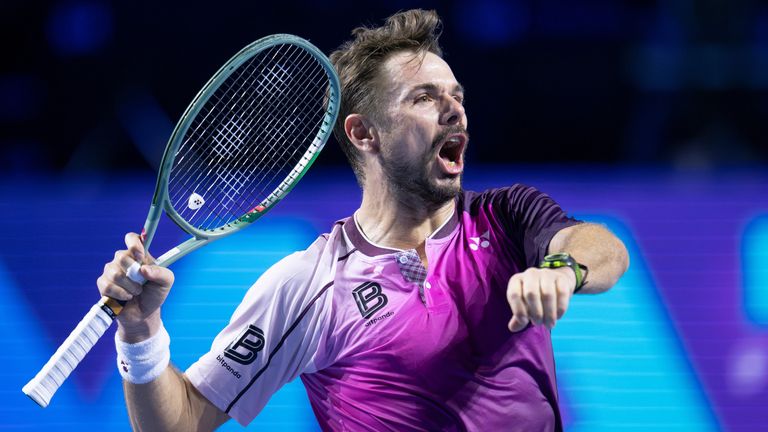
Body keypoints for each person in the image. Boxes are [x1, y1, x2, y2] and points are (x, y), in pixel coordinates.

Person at [98, 9, 629, 432]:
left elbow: (603, 247)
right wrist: (139, 332)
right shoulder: (308, 285)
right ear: (363, 133)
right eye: (425, 98)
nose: (455, 111)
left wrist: (563, 269)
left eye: (457, 97)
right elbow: (181, 422)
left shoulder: (506, 218)